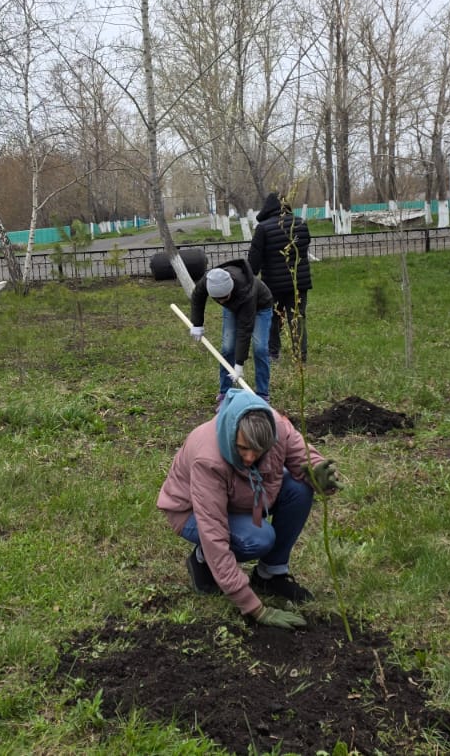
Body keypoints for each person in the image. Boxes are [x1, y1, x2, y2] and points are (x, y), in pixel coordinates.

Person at [156, 389, 341, 630]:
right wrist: (255, 608)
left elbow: (304, 458)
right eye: (243, 448)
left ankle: (270, 574)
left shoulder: (278, 427)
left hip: (243, 497)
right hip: (192, 511)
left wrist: (320, 477)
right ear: (233, 434)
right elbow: (213, 532)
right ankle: (202, 561)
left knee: (300, 488)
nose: (250, 458)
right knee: (258, 539)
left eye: (258, 450)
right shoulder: (208, 459)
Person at [188, 257, 275, 403]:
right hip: (233, 307)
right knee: (227, 348)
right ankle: (225, 392)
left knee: (260, 348)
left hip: (261, 306)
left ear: (231, 289)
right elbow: (197, 296)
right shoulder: (209, 280)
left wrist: (239, 364)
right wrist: (197, 324)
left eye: (224, 297)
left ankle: (262, 394)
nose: (222, 301)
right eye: (218, 299)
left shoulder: (246, 291)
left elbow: (244, 329)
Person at [247, 192, 312, 363]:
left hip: (273, 284)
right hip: (299, 282)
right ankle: (300, 356)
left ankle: (273, 353)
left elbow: (254, 257)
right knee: (297, 317)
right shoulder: (300, 223)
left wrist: (250, 276)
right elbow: (305, 246)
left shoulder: (263, 228)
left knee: (273, 317)